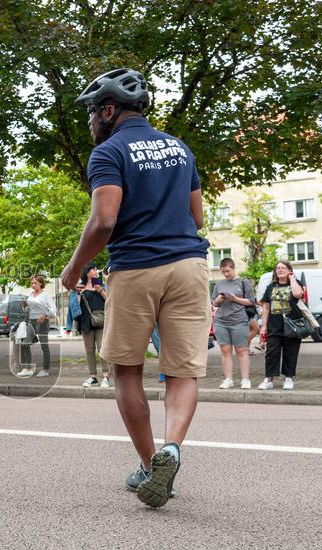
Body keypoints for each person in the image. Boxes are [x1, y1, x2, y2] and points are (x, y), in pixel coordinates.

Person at [60, 68, 210, 508]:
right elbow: (196, 217)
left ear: (108, 110)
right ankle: (171, 449)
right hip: (188, 265)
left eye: (91, 113)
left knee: (126, 370)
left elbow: (104, 220)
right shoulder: (181, 149)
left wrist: (74, 270)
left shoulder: (109, 153)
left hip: (137, 268)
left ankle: (149, 467)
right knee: (183, 370)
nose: (90, 122)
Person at [258, 260, 306, 390]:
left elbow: (298, 294)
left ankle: (289, 378)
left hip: (293, 324)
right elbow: (266, 307)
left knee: (290, 352)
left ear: (289, 270)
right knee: (271, 353)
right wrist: (263, 326)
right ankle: (269, 379)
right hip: (274, 325)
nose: (279, 270)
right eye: (278, 268)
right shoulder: (271, 287)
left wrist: (292, 279)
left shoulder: (296, 284)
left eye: (283, 268)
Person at [211, 258, 254, 390]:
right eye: (223, 272)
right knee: (225, 350)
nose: (226, 274)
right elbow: (214, 303)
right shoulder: (219, 284)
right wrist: (218, 300)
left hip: (239, 320)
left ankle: (245, 380)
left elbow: (251, 301)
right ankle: (228, 379)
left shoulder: (244, 282)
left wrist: (235, 299)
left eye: (228, 271)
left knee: (241, 350)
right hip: (221, 321)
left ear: (233, 268)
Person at [75, 263, 110, 388]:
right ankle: (93, 377)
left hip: (100, 321)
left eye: (96, 269)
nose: (96, 271)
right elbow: (76, 305)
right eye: (94, 269)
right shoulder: (81, 286)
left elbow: (110, 300)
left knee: (102, 349)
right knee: (89, 351)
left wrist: (101, 290)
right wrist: (77, 292)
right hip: (86, 321)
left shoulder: (102, 284)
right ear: (88, 272)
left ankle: (106, 376)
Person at [17, 275, 57, 378]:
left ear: (40, 283)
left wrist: (45, 315)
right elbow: (27, 310)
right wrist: (24, 306)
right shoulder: (31, 295)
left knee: (44, 346)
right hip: (31, 321)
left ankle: (45, 369)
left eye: (35, 283)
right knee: (24, 343)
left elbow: (53, 309)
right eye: (31, 283)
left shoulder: (45, 295)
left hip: (42, 321)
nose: (33, 285)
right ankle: (28, 368)